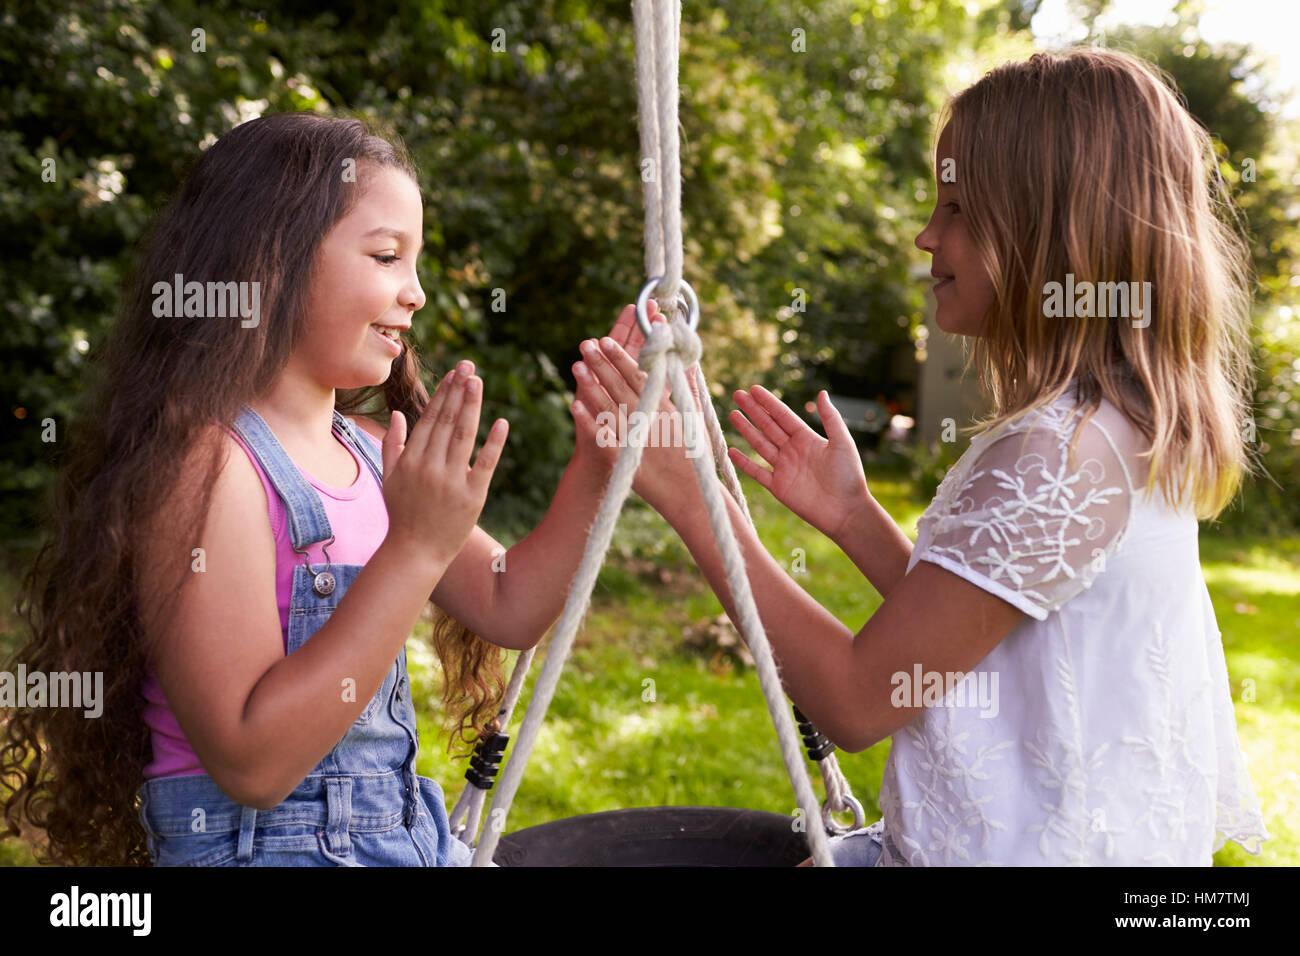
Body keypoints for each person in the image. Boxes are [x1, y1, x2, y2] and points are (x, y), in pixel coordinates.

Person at [572, 48, 1270, 865]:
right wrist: (855, 519)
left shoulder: (1060, 456)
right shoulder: (1112, 429)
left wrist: (696, 504)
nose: (925, 235)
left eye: (959, 210)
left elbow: (861, 700)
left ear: (1054, 236)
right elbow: (984, 635)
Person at [1, 112, 635, 866]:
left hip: (403, 843)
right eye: (387, 257)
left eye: (415, 263)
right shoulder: (207, 467)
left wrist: (596, 465)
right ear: (271, 259)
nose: (417, 294)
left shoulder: (368, 452)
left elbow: (513, 605)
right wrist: (416, 549)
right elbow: (251, 763)